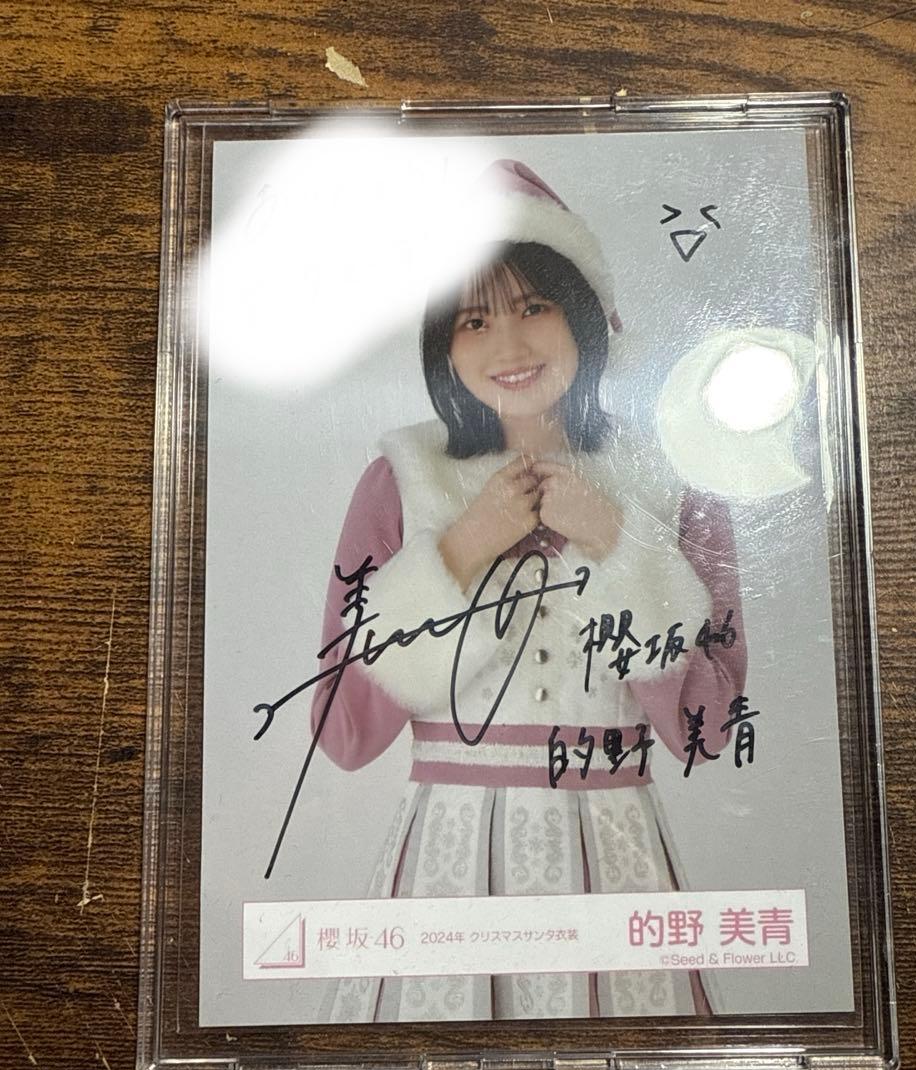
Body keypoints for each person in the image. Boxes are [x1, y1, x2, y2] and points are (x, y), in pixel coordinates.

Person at [314, 160, 746, 1023]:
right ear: (444, 345)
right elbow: (344, 733)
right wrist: (461, 548)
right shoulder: (400, 479)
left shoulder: (671, 481)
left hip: (617, 861)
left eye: (534, 307)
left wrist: (617, 541)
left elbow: (707, 734)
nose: (507, 347)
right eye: (474, 320)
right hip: (446, 869)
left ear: (585, 314)